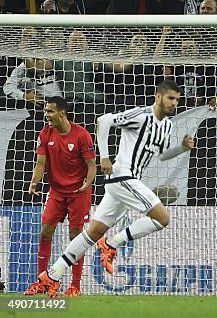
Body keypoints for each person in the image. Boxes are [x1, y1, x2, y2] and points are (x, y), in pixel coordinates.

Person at [37, 81, 195, 297]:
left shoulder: (167, 125)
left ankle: (52, 275)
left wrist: (181, 148)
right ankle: (112, 243)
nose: (174, 103)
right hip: (122, 176)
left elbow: (162, 155)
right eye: (170, 98)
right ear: (158, 96)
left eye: (177, 99)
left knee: (90, 234)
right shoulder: (140, 115)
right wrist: (104, 156)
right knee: (162, 219)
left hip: (126, 183)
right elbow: (103, 121)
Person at [23, 96, 96, 296]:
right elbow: (40, 163)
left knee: (75, 238)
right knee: (45, 232)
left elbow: (91, 166)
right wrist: (34, 182)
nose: (46, 115)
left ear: (62, 113)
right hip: (56, 193)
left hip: (78, 194)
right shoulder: (45, 133)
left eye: (50, 112)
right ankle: (43, 282)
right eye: (46, 111)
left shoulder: (82, 135)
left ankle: (75, 286)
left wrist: (87, 183)